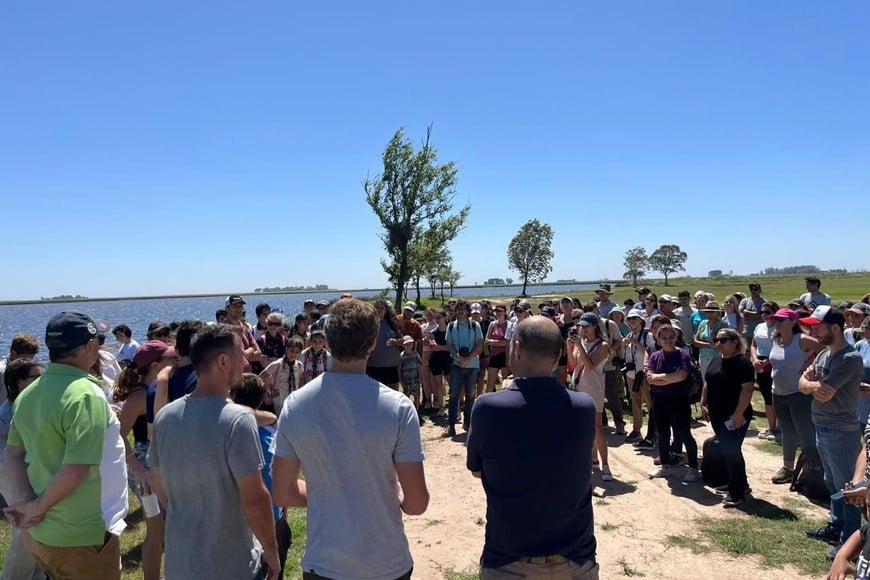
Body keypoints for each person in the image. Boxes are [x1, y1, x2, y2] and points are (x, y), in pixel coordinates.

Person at [271, 298, 429, 580]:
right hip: (387, 562)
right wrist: (396, 494)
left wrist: (325, 489)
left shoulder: (296, 405)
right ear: (372, 344)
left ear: (327, 342)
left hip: (324, 562)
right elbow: (416, 503)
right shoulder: (399, 408)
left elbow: (283, 493)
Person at [467, 315, 599, 579]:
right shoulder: (584, 406)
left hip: (509, 556)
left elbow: (477, 470)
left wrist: (509, 390)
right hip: (575, 557)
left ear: (516, 349)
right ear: (560, 354)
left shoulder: (487, 407)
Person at [148, 324, 280, 580]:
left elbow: (158, 484)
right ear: (223, 361)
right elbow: (255, 500)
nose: (244, 360)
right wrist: (271, 549)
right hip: (232, 566)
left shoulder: (165, 416)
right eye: (241, 354)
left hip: (181, 564)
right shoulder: (238, 420)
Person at [4, 312, 127, 579]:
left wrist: (27, 503)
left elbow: (13, 455)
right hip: (82, 534)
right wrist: (36, 508)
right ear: (90, 346)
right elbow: (76, 468)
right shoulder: (85, 395)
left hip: (43, 533)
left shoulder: (28, 393)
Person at [799, 306, 864, 559]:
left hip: (840, 430)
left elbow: (824, 394)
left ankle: (850, 540)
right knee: (831, 481)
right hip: (823, 426)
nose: (813, 329)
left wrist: (810, 384)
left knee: (847, 486)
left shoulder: (849, 358)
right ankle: (836, 526)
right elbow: (801, 384)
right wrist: (811, 384)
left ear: (835, 327)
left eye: (818, 325)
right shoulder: (824, 353)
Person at [113, 340, 173, 580]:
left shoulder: (159, 388)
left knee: (165, 527)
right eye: (171, 360)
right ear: (157, 365)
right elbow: (118, 434)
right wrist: (137, 468)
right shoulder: (139, 396)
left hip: (156, 463)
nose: (175, 363)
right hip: (143, 468)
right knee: (157, 529)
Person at [232, 374, 293, 580]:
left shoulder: (227, 432)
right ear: (261, 399)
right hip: (272, 514)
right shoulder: (271, 435)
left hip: (238, 519)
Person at [0, 359, 45, 580]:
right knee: (25, 525)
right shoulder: (10, 412)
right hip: (8, 470)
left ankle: (37, 574)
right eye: (36, 377)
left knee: (33, 524)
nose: (43, 382)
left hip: (20, 468)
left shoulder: (27, 405)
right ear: (19, 382)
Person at [700, 327, 755, 508]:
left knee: (732, 451)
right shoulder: (717, 359)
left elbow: (747, 390)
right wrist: (703, 402)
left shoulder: (742, 363)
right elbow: (708, 381)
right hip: (717, 414)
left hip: (735, 415)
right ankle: (739, 483)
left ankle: (737, 492)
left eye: (723, 340)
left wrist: (738, 413)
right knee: (727, 450)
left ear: (734, 342)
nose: (718, 343)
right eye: (716, 340)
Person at [769, 308, 821, 484]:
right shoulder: (775, 339)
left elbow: (825, 350)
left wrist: (811, 364)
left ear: (793, 321)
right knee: (787, 431)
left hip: (799, 393)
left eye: (781, 320)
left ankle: (813, 469)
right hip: (778, 392)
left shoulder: (802, 339)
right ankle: (788, 469)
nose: (777, 322)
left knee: (805, 431)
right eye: (775, 319)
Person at [645, 325, 699, 482]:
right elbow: (649, 378)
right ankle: (665, 467)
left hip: (679, 400)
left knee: (684, 433)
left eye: (671, 337)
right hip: (659, 399)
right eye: (664, 338)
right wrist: (669, 378)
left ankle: (694, 468)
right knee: (662, 434)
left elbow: (681, 376)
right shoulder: (655, 356)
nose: (667, 340)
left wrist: (660, 378)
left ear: (676, 337)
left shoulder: (682, 354)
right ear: (658, 339)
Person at [571, 313, 613, 481]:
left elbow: (589, 366)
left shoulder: (602, 345)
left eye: (586, 326)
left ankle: (606, 466)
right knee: (583, 427)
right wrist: (571, 346)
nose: (583, 329)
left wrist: (579, 346)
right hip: (579, 386)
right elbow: (574, 365)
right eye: (581, 326)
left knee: (597, 427)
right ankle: (592, 459)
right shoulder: (581, 343)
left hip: (594, 388)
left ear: (595, 326)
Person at [444, 299, 484, 437]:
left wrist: (468, 358)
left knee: (470, 396)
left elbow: (480, 344)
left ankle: (468, 423)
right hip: (456, 364)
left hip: (472, 365)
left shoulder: (475, 325)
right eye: (458, 309)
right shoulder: (450, 326)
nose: (460, 311)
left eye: (463, 308)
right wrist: (458, 358)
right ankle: (451, 426)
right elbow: (449, 345)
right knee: (453, 395)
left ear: (467, 311)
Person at [750, 301, 780, 441]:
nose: (764, 315)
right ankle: (771, 427)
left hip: (773, 362)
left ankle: (779, 427)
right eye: (762, 312)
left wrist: (767, 361)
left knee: (776, 396)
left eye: (767, 312)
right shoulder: (759, 326)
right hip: (760, 363)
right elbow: (753, 345)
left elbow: (780, 346)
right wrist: (755, 359)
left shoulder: (778, 328)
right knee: (766, 397)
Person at [260, 337, 305, 414]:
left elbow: (300, 379)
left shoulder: (299, 365)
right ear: (286, 349)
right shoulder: (277, 364)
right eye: (291, 351)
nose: (293, 354)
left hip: (294, 399)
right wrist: (268, 391)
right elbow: (261, 376)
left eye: (297, 352)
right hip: (280, 400)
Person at [367, 299, 403, 390]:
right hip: (373, 364)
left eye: (382, 308)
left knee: (392, 391)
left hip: (391, 364)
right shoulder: (368, 324)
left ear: (386, 310)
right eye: (377, 308)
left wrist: (396, 342)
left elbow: (402, 340)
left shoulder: (392, 323)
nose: (379, 310)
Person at [0, 334, 40, 407]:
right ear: (14, 353)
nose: (29, 362)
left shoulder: (33, 371)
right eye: (26, 359)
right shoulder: (1, 371)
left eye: (32, 358)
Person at [399, 335, 424, 424]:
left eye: (410, 344)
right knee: (407, 398)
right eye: (406, 344)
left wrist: (420, 376)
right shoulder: (401, 356)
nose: (408, 346)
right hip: (406, 380)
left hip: (415, 379)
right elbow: (399, 368)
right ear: (403, 345)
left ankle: (417, 413)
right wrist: (401, 380)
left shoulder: (415, 354)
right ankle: (408, 415)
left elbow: (419, 366)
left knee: (417, 397)